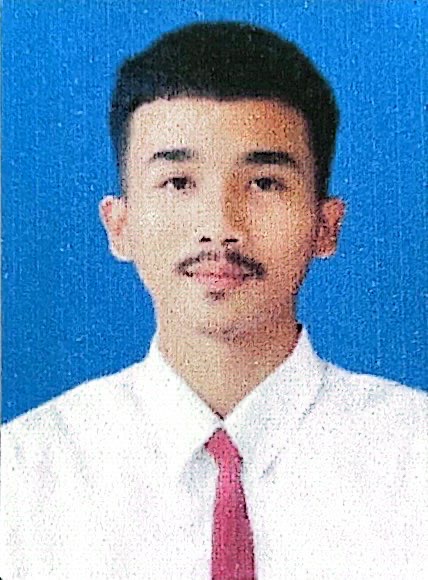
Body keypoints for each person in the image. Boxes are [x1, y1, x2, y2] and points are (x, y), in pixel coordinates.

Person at [1, 21, 426, 580]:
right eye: (179, 183)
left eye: (264, 183)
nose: (220, 226)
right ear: (119, 225)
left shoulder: (416, 459)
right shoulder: (23, 475)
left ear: (327, 226)